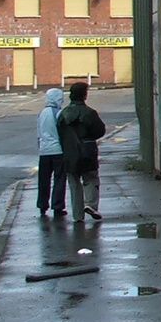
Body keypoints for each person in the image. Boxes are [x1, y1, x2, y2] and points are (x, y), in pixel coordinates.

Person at [58, 80, 107, 221]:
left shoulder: (63, 114)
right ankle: (91, 204)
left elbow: (59, 133)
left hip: (69, 153)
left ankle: (77, 216)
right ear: (84, 95)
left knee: (74, 183)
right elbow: (99, 131)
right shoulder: (89, 113)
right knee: (91, 178)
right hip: (87, 151)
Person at [35, 87, 67, 218]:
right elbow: (63, 133)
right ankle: (57, 206)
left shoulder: (41, 114)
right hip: (57, 151)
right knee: (59, 179)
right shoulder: (58, 113)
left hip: (44, 151)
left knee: (44, 180)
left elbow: (39, 134)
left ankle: (43, 205)